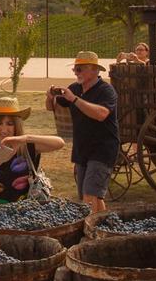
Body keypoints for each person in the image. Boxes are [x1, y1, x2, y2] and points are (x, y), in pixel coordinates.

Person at [48, 51, 118, 213]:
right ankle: (103, 226)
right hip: (82, 149)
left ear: (94, 70)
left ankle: (90, 232)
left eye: (79, 69)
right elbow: (51, 107)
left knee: (89, 197)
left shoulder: (106, 91)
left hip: (102, 150)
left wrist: (74, 99)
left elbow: (101, 114)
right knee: (93, 197)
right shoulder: (75, 88)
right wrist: (50, 97)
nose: (75, 72)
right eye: (75, 69)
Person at [0, 97, 64, 204]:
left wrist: (25, 138)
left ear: (16, 126)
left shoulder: (27, 147)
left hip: (27, 213)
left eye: (9, 124)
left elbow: (59, 143)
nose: (4, 129)